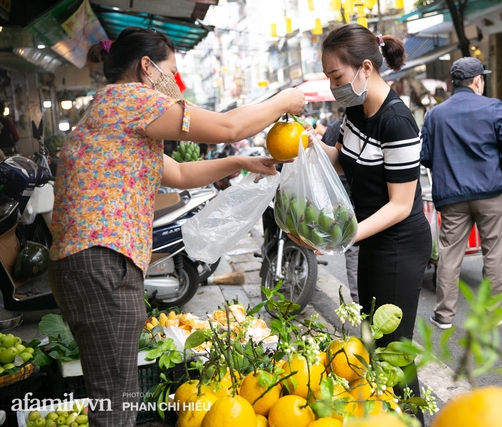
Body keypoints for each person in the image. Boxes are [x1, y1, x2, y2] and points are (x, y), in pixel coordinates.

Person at [48, 27, 305, 427]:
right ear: (147, 67)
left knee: (111, 387)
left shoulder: (109, 111)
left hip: (86, 263)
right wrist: (284, 100)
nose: (175, 82)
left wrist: (241, 163)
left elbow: (181, 172)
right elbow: (228, 129)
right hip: (102, 259)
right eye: (171, 71)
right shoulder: (130, 99)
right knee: (116, 396)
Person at [316, 23, 430, 421]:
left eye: (337, 77)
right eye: (329, 78)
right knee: (374, 345)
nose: (334, 87)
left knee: (394, 350)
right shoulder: (354, 110)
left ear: (365, 68)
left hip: (399, 243)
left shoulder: (397, 122)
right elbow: (341, 160)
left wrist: (345, 237)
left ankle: (413, 419)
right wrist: (306, 151)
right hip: (371, 241)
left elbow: (400, 204)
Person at [420, 57, 502, 330]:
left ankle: (444, 315)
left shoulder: (435, 115)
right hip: (491, 193)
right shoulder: (493, 107)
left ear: (454, 83)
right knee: (495, 253)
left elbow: (426, 157)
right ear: (478, 81)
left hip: (451, 197)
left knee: (450, 255)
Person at [321, 107, 359, 304]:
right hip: (357, 198)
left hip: (341, 201)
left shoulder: (333, 128)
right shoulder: (347, 128)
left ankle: (358, 299)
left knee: (353, 250)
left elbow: (324, 168)